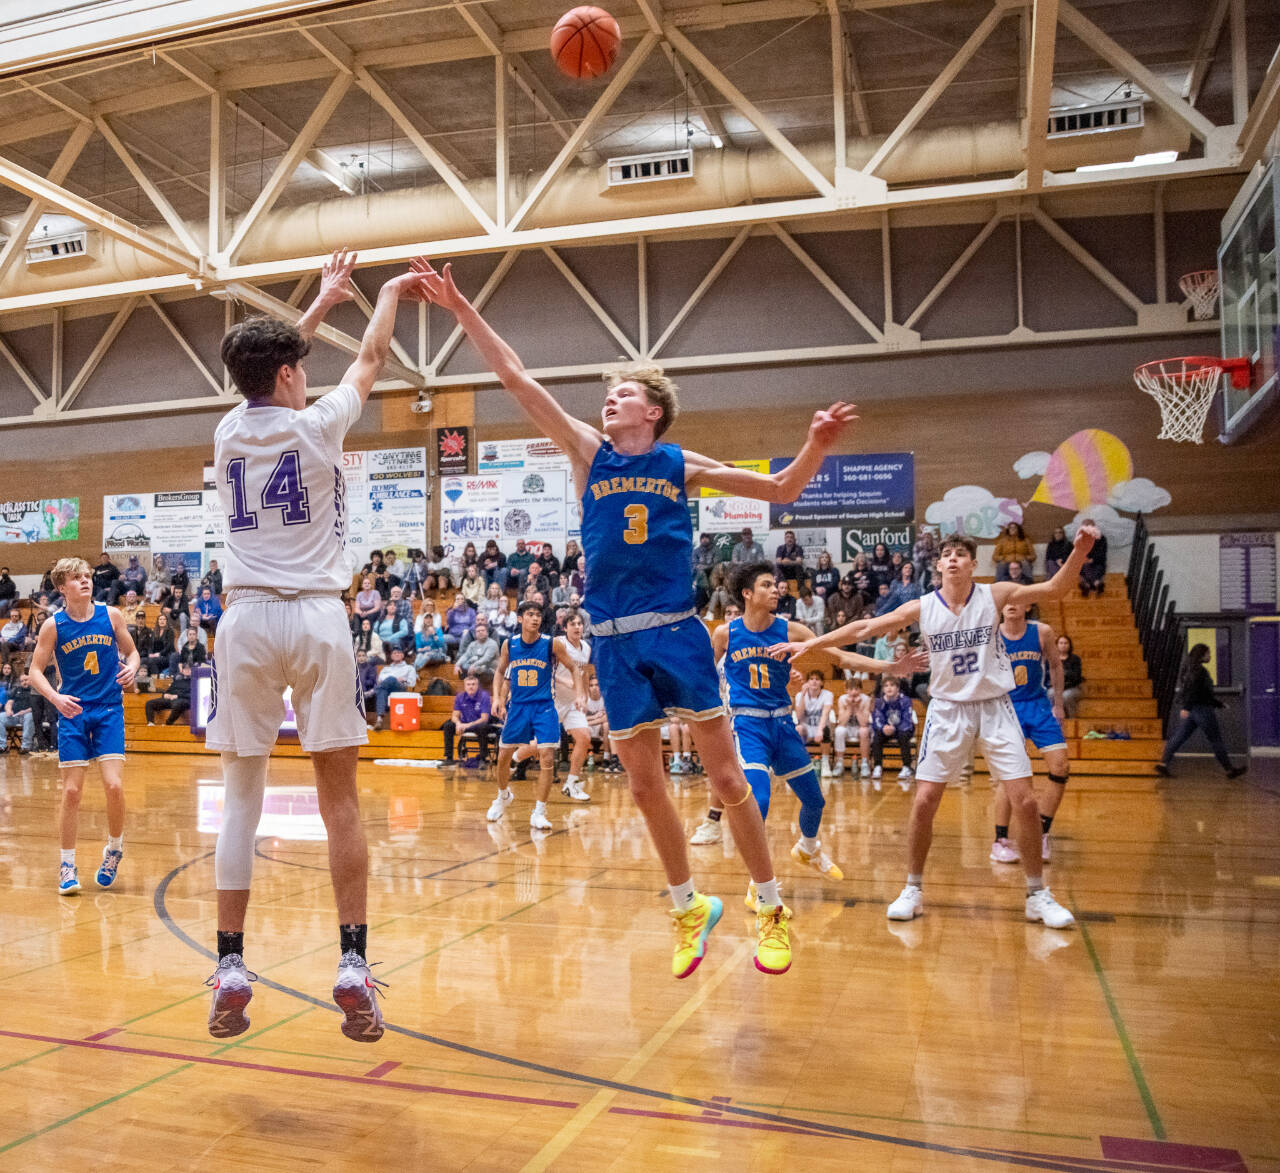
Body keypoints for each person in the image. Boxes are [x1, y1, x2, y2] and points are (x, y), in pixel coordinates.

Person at [419, 256, 857, 978]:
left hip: (676, 632)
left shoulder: (680, 462)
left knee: (726, 781)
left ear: (651, 410)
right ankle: (689, 907)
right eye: (609, 395)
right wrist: (463, 309)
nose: (608, 402)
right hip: (615, 645)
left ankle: (770, 902)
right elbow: (516, 378)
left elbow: (780, 488)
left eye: (622, 394)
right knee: (646, 786)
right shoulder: (586, 453)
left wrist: (815, 444)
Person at [203, 247, 429, 1044]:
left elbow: (262, 367)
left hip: (247, 618)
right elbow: (370, 357)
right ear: (294, 375)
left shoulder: (230, 429)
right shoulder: (322, 421)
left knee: (241, 796)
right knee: (340, 801)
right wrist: (386, 293)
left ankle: (231, 963)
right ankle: (352, 961)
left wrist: (316, 306)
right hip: (320, 618)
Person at [775, 526, 1100, 932]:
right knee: (926, 799)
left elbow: (1055, 588)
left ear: (972, 564)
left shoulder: (995, 595)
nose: (952, 559)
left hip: (995, 706)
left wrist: (1081, 549)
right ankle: (912, 888)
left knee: (1027, 801)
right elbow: (863, 629)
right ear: (938, 564)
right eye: (946, 554)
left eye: (960, 554)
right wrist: (812, 645)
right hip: (947, 710)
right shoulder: (923, 606)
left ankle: (1037, 894)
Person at [694, 565, 920, 888]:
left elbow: (840, 659)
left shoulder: (792, 630)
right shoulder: (724, 634)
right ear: (747, 593)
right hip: (747, 725)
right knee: (759, 800)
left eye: (777, 585)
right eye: (767, 585)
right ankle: (759, 885)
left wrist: (891, 667)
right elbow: (703, 675)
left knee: (815, 801)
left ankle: (809, 848)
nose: (776, 590)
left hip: (784, 723)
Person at [28, 556, 139, 895]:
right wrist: (56, 698)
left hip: (108, 710)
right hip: (73, 711)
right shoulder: (54, 625)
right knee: (72, 792)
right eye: (76, 578)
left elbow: (132, 653)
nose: (85, 581)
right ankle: (66, 864)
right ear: (62, 588)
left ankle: (114, 849)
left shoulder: (112, 615)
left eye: (87, 576)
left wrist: (132, 669)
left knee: (114, 787)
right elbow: (34, 671)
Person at [487, 601, 586, 831]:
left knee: (547, 756)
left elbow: (574, 668)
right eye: (530, 614)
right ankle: (503, 796)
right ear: (520, 619)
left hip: (544, 707)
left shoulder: (551, 644)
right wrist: (497, 699)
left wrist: (580, 693)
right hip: (518, 707)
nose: (535, 618)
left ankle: (539, 811)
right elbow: (501, 671)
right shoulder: (509, 645)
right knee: (503, 757)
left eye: (538, 615)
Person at [989, 601, 1072, 865]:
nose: (1012, 605)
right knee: (1009, 775)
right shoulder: (992, 634)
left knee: (1061, 766)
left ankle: (1041, 833)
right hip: (1005, 708)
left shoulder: (1042, 632)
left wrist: (1058, 705)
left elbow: (1057, 667)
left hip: (1038, 706)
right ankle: (1000, 840)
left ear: (1028, 605)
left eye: (1018, 600)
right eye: (1007, 601)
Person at [1156, 644, 1247, 779]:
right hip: (1202, 710)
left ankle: (1163, 764)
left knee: (1179, 736)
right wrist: (1188, 707)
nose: (1210, 656)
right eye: (1208, 653)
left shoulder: (1187, 668)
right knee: (1215, 739)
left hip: (1193, 709)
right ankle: (1229, 770)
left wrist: (1216, 704)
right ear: (1201, 655)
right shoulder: (1200, 671)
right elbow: (1198, 692)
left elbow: (1193, 691)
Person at [441, 672, 495, 764]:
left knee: (483, 727)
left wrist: (467, 725)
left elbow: (484, 718)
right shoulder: (460, 697)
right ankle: (449, 758)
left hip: (478, 724)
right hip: (464, 724)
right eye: (468, 685)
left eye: (473, 684)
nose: (471, 687)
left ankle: (482, 758)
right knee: (448, 725)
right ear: (465, 686)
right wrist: (458, 724)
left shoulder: (484, 696)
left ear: (477, 686)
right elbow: (455, 715)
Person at [871, 676, 915, 783]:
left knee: (903, 736)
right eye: (886, 686)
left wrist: (894, 728)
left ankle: (906, 767)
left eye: (892, 685)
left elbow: (907, 719)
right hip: (886, 729)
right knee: (876, 737)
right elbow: (877, 717)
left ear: (898, 688)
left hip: (902, 728)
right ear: (883, 689)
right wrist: (883, 728)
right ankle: (877, 766)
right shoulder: (879, 702)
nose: (889, 688)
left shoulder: (905, 700)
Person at [829, 685, 872, 780]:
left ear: (861, 690)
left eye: (856, 689)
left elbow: (864, 723)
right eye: (851, 689)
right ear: (846, 690)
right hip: (847, 728)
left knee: (864, 731)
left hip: (859, 728)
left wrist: (856, 708)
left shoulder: (866, 699)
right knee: (839, 730)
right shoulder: (842, 699)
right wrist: (849, 707)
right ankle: (839, 763)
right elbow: (841, 722)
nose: (853, 692)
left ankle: (865, 764)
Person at [372, 646, 418, 729]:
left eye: (399, 652)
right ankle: (379, 720)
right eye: (394, 653)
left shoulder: (409, 668)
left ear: (403, 655)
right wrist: (397, 678)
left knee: (390, 679)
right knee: (382, 689)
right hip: (387, 693)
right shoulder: (386, 669)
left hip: (401, 690)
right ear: (391, 656)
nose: (397, 654)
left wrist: (401, 680)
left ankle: (372, 691)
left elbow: (412, 684)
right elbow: (379, 681)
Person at [145, 660, 194, 726]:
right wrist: (165, 695)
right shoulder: (177, 681)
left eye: (189, 668)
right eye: (185, 668)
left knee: (178, 704)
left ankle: (168, 724)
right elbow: (169, 690)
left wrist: (178, 696)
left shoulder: (195, 682)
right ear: (182, 670)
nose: (187, 670)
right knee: (149, 703)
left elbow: (193, 695)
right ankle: (150, 723)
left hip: (183, 701)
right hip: (171, 699)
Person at [1, 670, 37, 754]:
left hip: (27, 715)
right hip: (14, 715)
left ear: (31, 680)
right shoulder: (16, 689)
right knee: (1, 717)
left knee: (29, 716)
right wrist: (8, 710)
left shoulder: (34, 690)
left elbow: (37, 707)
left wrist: (25, 711)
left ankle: (25, 746)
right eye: (22, 681)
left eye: (26, 680)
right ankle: (2, 746)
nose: (24, 682)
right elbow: (9, 702)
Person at [454, 617, 499, 683]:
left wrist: (474, 665)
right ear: (475, 634)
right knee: (463, 666)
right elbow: (466, 655)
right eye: (478, 631)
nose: (480, 632)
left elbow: (486, 659)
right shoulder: (473, 644)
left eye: (483, 630)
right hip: (476, 668)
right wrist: (457, 664)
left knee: (478, 668)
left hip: (490, 669)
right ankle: (470, 684)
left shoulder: (492, 644)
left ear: (487, 633)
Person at [1058, 634, 1084, 717]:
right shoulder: (1052, 658)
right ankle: (1055, 719)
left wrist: (1064, 673)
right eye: (1061, 643)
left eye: (1066, 643)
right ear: (1057, 645)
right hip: (1055, 687)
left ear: (1069, 645)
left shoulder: (1075, 659)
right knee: (1050, 694)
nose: (1063, 645)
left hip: (1072, 687)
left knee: (1066, 696)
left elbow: (1077, 676)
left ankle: (1072, 719)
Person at [1079, 519, 1108, 595]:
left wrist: (1093, 559)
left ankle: (1088, 585)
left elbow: (1102, 553)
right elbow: (1078, 552)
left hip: (1097, 562)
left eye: (1090, 525)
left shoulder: (1101, 538)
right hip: (1085, 563)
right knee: (1085, 566)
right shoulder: (1080, 539)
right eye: (1085, 526)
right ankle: (1096, 583)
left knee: (1096, 567)